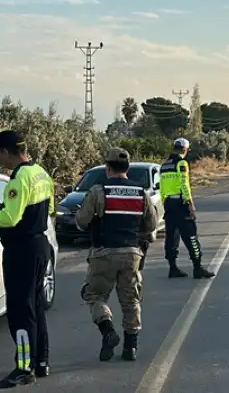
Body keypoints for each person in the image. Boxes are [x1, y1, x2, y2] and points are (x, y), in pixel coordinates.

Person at [0, 130, 54, 389]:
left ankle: (24, 368)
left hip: (21, 250)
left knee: (19, 311)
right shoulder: (40, 172)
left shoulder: (18, 179)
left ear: (5, 151)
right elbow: (49, 209)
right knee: (36, 306)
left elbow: (10, 219)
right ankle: (41, 362)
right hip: (39, 244)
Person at [75, 148, 159, 362]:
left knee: (95, 296)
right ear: (128, 169)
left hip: (103, 252)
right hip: (132, 253)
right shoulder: (141, 193)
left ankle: (108, 331)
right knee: (130, 300)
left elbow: (81, 222)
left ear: (107, 168)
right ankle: (131, 347)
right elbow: (151, 225)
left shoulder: (98, 190)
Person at [159, 138, 215, 279]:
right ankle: (197, 267)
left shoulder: (164, 165)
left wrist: (164, 202)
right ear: (185, 150)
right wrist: (190, 203)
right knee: (191, 236)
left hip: (168, 204)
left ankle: (173, 268)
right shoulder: (182, 163)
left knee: (171, 237)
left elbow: (162, 187)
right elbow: (184, 184)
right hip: (181, 204)